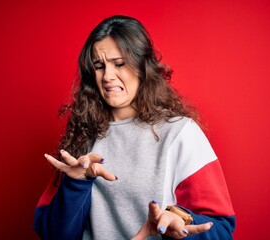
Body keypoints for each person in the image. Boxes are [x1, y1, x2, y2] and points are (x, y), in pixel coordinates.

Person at [33, 15, 235, 240]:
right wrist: (75, 185)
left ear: (142, 66)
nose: (108, 76)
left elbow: (221, 229)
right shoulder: (83, 136)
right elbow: (53, 235)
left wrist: (182, 222)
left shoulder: (180, 134)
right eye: (99, 66)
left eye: (119, 64)